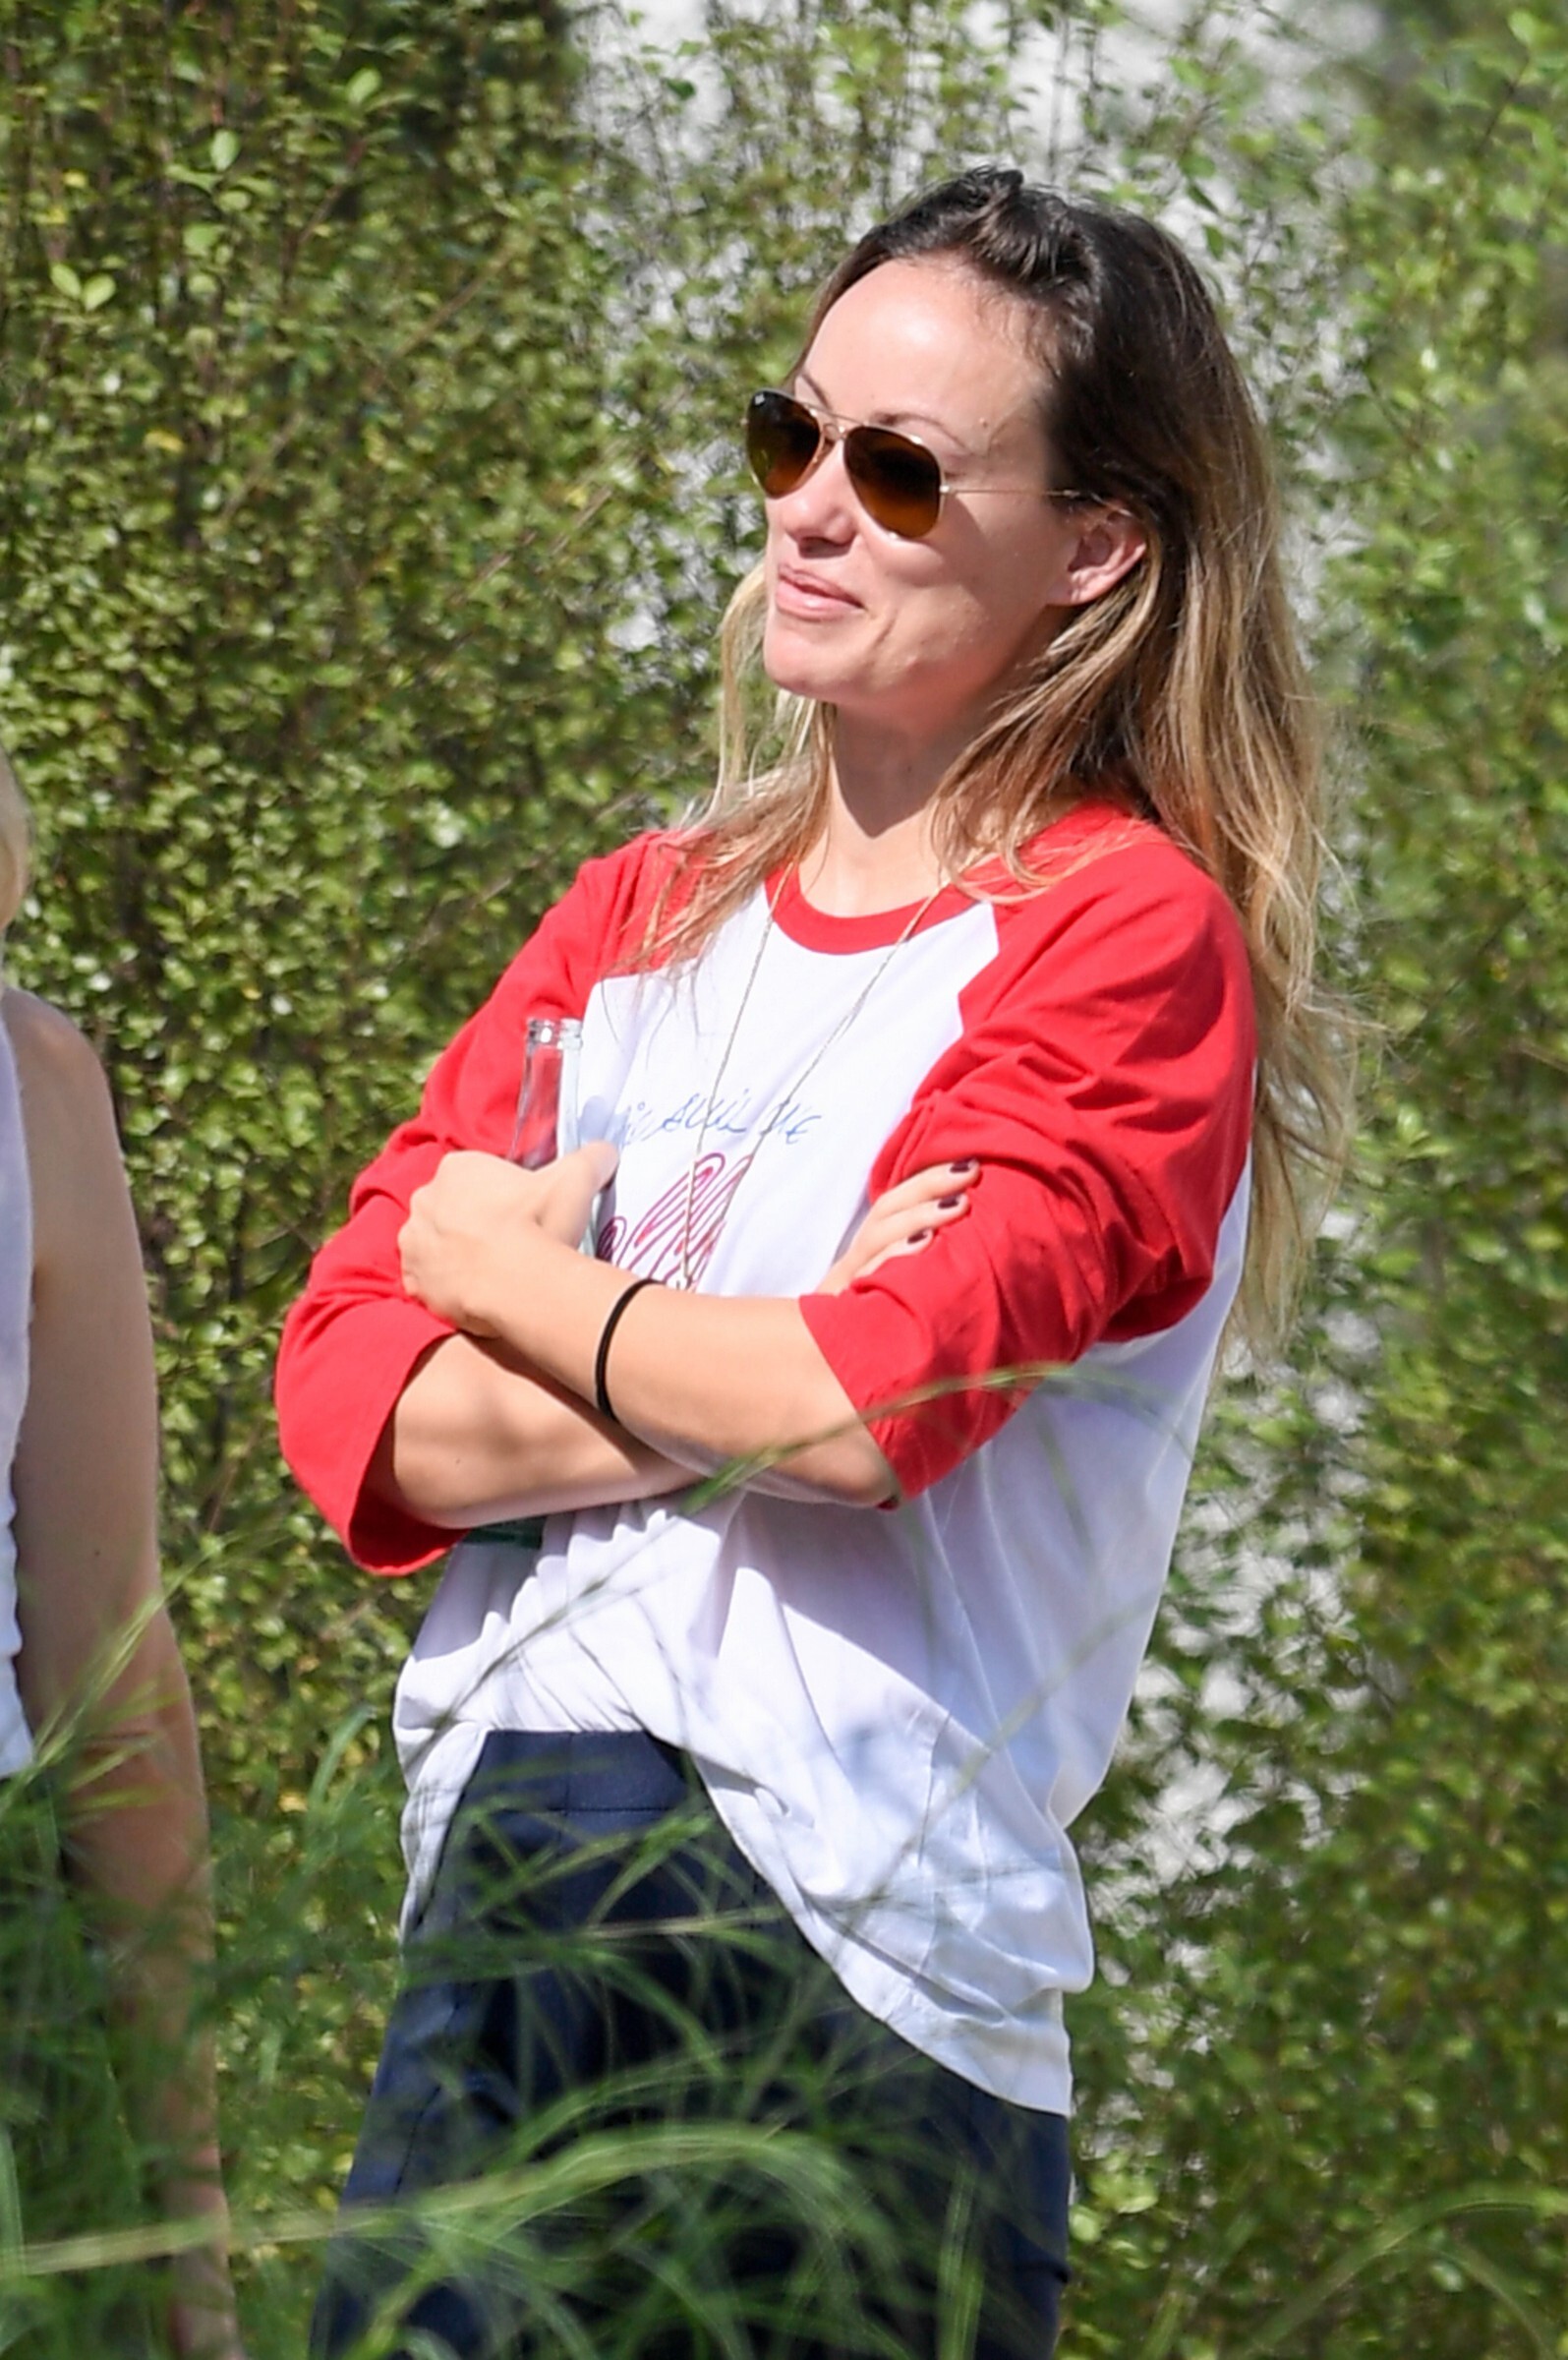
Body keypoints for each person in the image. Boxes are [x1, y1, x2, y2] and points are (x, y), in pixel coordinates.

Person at [277, 164, 1345, 2357]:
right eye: (792, 435)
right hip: (510, 1882)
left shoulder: (1120, 935)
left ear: (1096, 549)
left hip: (850, 1969)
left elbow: (872, 1414)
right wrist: (740, 1367)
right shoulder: (638, 913)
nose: (810, 509)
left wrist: (519, 1283)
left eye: (901, 470)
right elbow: (348, 1402)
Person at [0, 748, 246, 2358]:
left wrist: (186, 2242)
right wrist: (193, 2260)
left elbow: (109, 1673)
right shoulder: (21, 1081)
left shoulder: (30, 1080)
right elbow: (109, 1681)